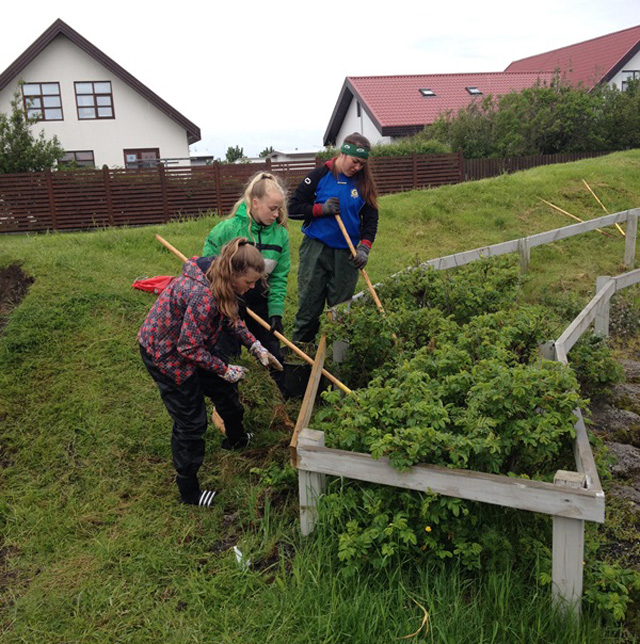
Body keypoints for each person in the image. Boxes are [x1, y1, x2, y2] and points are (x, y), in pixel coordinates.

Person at [138, 238, 282, 507]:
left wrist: (255, 345)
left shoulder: (220, 279)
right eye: (249, 282)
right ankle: (189, 492)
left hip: (192, 344)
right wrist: (225, 369)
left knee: (225, 392)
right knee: (191, 421)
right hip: (165, 355)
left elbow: (231, 318)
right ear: (233, 273)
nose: (252, 288)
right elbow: (188, 347)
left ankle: (236, 440)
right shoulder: (202, 296)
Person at [203, 172, 290, 396]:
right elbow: (209, 268)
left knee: (271, 349)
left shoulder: (281, 236)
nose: (277, 214)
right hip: (228, 297)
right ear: (255, 203)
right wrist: (222, 299)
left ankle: (282, 397)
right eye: (272, 208)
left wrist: (276, 312)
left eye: (279, 208)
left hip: (259, 296)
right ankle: (231, 399)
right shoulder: (227, 230)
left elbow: (279, 277)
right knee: (229, 350)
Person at [288, 132, 379, 343]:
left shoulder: (364, 184)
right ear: (342, 154)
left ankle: (339, 364)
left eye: (362, 164)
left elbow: (371, 221)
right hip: (316, 250)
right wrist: (321, 209)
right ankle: (301, 359)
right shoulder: (319, 176)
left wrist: (364, 248)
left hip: (347, 255)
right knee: (309, 309)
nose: (358, 167)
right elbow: (293, 208)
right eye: (355, 162)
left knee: (341, 313)